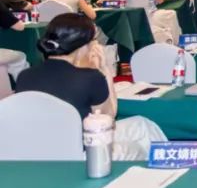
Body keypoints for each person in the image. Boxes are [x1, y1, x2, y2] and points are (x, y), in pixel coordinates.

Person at [15, 13, 165, 158]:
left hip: (37, 151)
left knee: (141, 124)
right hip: (84, 154)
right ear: (84, 45)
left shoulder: (24, 76)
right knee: (138, 144)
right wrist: (104, 68)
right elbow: (108, 118)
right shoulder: (90, 77)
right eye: (94, 40)